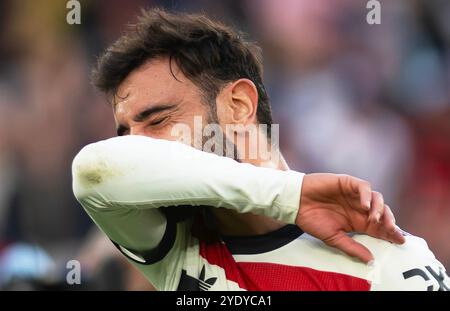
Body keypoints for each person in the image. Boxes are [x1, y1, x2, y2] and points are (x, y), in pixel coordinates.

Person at [72, 9, 448, 290]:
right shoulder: (169, 246)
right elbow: (92, 171)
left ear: (238, 105)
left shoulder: (386, 263)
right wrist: (290, 197)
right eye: (125, 133)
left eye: (157, 121)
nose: (137, 146)